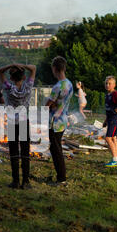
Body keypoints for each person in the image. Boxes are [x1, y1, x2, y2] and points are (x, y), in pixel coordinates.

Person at [0, 63, 36, 189]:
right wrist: (21, 65)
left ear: (12, 78)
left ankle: (15, 181)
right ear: (24, 77)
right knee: (25, 152)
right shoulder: (28, 87)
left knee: (14, 151)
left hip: (12, 123)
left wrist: (11, 65)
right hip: (24, 122)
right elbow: (33, 69)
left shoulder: (9, 88)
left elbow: (0, 71)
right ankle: (26, 182)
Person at [45, 56, 73, 184]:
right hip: (63, 120)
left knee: (56, 150)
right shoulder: (69, 84)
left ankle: (61, 178)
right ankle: (60, 176)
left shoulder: (58, 86)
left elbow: (48, 104)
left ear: (55, 69)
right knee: (56, 148)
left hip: (54, 122)